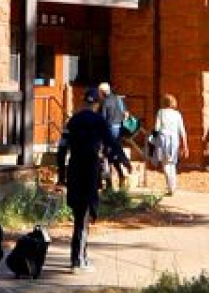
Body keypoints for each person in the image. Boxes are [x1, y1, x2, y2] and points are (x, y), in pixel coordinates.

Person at [56, 87, 129, 273]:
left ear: (84, 102)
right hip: (90, 170)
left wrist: (61, 176)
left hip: (74, 169)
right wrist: (124, 161)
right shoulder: (99, 121)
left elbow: (62, 149)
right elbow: (112, 142)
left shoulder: (71, 121)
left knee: (78, 215)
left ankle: (79, 255)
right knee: (84, 215)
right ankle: (78, 260)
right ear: (97, 103)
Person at [147, 94, 188, 196]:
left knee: (165, 165)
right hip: (174, 140)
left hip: (163, 139)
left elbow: (156, 128)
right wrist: (185, 145)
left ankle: (170, 186)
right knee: (172, 164)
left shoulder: (161, 112)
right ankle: (172, 187)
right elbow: (182, 130)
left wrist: (152, 139)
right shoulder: (177, 114)